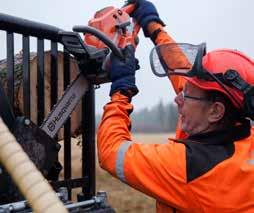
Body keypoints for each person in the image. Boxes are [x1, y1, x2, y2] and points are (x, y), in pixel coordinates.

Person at [97, 0, 254, 212]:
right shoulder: (240, 133)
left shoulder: (190, 166)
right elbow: (183, 75)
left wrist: (121, 90)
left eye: (187, 96)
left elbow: (112, 152)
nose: (177, 99)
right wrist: (154, 28)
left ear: (216, 111)